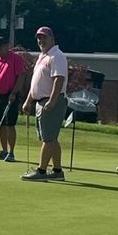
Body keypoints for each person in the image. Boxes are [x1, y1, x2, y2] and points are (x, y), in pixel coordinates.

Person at [21, 26, 69, 181]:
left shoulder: (57, 56)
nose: (41, 41)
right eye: (39, 38)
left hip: (51, 101)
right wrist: (28, 100)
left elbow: (59, 79)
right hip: (40, 101)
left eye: (44, 38)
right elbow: (37, 82)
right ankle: (57, 171)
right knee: (51, 138)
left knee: (48, 138)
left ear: (52, 39)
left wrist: (52, 100)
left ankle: (41, 172)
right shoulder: (43, 56)